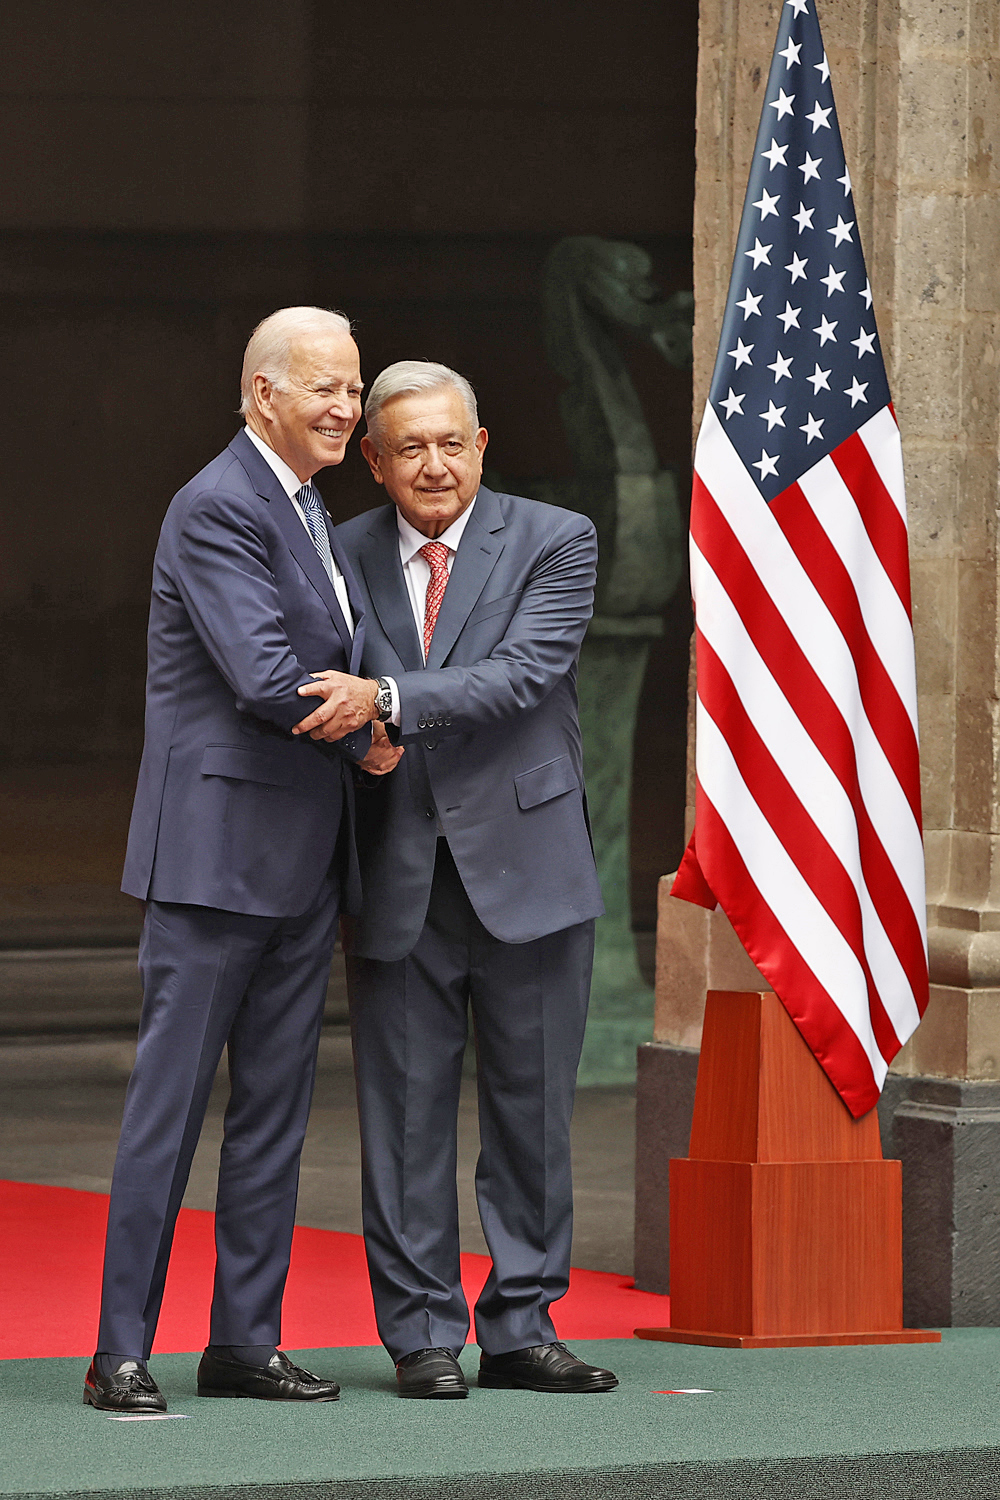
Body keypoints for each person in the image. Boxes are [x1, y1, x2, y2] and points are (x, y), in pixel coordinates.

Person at [85, 306, 398, 1414]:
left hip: (306, 865)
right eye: (325, 387)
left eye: (354, 389)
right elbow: (267, 674)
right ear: (261, 392)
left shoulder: (312, 509)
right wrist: (374, 729)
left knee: (275, 1115)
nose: (345, 407)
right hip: (214, 864)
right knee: (167, 1112)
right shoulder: (216, 505)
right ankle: (118, 1351)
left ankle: (243, 1344)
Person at [292, 360, 619, 1399]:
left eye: (450, 443)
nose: (432, 464)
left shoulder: (556, 539)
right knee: (403, 1119)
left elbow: (524, 675)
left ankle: (522, 1327)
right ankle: (422, 1336)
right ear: (375, 462)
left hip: (527, 871)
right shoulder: (333, 554)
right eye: (408, 449)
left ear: (481, 446)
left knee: (531, 1115)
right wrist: (359, 745)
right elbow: (310, 694)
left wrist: (385, 699)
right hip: (397, 871)